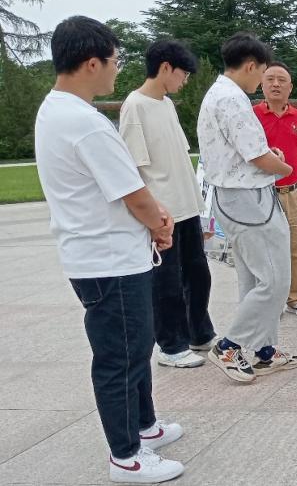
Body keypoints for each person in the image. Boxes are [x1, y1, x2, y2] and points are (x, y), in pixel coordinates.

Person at [35, 16, 185, 482]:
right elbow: (133, 194)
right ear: (91, 63)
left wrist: (155, 217)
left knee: (135, 346)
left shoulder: (56, 110)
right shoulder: (85, 123)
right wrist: (160, 224)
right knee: (120, 354)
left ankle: (145, 426)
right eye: (115, 61)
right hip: (109, 260)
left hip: (100, 254)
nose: (118, 70)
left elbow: (124, 187)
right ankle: (127, 455)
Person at [197, 33, 297, 383]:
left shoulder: (217, 94)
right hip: (248, 199)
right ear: (250, 66)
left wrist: (270, 158)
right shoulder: (232, 99)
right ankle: (230, 345)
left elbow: (245, 151)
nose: (263, 82)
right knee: (275, 279)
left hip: (234, 197)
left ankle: (263, 350)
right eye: (262, 74)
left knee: (254, 277)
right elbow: (256, 155)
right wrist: (284, 167)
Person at [118, 40, 217, 369]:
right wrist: (151, 216)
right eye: (183, 74)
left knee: (198, 275)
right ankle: (171, 345)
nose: (185, 81)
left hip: (186, 207)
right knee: (167, 282)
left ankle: (199, 332)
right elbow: (134, 168)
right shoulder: (135, 106)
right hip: (164, 212)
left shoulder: (166, 104)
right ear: (165, 68)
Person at [254, 61, 297, 317]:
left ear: (290, 87)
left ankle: (296, 298)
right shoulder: (251, 116)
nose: (276, 84)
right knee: (264, 249)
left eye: (282, 80)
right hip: (262, 193)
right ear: (261, 84)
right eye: (270, 79)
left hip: (295, 191)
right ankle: (268, 300)